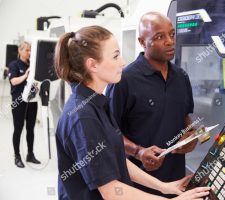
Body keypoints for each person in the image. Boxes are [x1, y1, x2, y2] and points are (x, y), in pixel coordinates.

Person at [54, 26, 210, 200]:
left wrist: (165, 187)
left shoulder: (97, 104)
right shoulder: (83, 116)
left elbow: (118, 161)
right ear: (92, 65)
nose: (122, 62)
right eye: (115, 56)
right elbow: (111, 191)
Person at [106, 12, 198, 197]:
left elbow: (185, 117)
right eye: (159, 37)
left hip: (176, 181)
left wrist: (192, 137)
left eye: (172, 34)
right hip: (138, 184)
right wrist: (138, 152)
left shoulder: (181, 77)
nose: (170, 41)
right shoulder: (124, 80)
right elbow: (110, 133)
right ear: (142, 42)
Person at [8, 41, 41, 168]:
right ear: (20, 51)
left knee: (30, 129)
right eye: (27, 50)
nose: (29, 52)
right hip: (19, 101)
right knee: (18, 129)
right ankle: (17, 156)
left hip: (32, 101)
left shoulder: (32, 65)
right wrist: (26, 75)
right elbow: (13, 81)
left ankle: (30, 154)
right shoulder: (14, 65)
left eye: (30, 50)